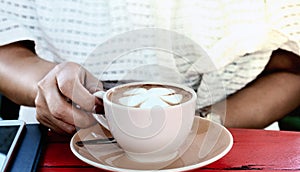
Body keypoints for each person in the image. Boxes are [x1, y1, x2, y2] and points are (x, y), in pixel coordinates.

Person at [0, 0, 299, 134]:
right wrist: (49, 84)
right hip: (58, 140)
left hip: (237, 142)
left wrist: (204, 123)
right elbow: (7, 46)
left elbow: (292, 70)